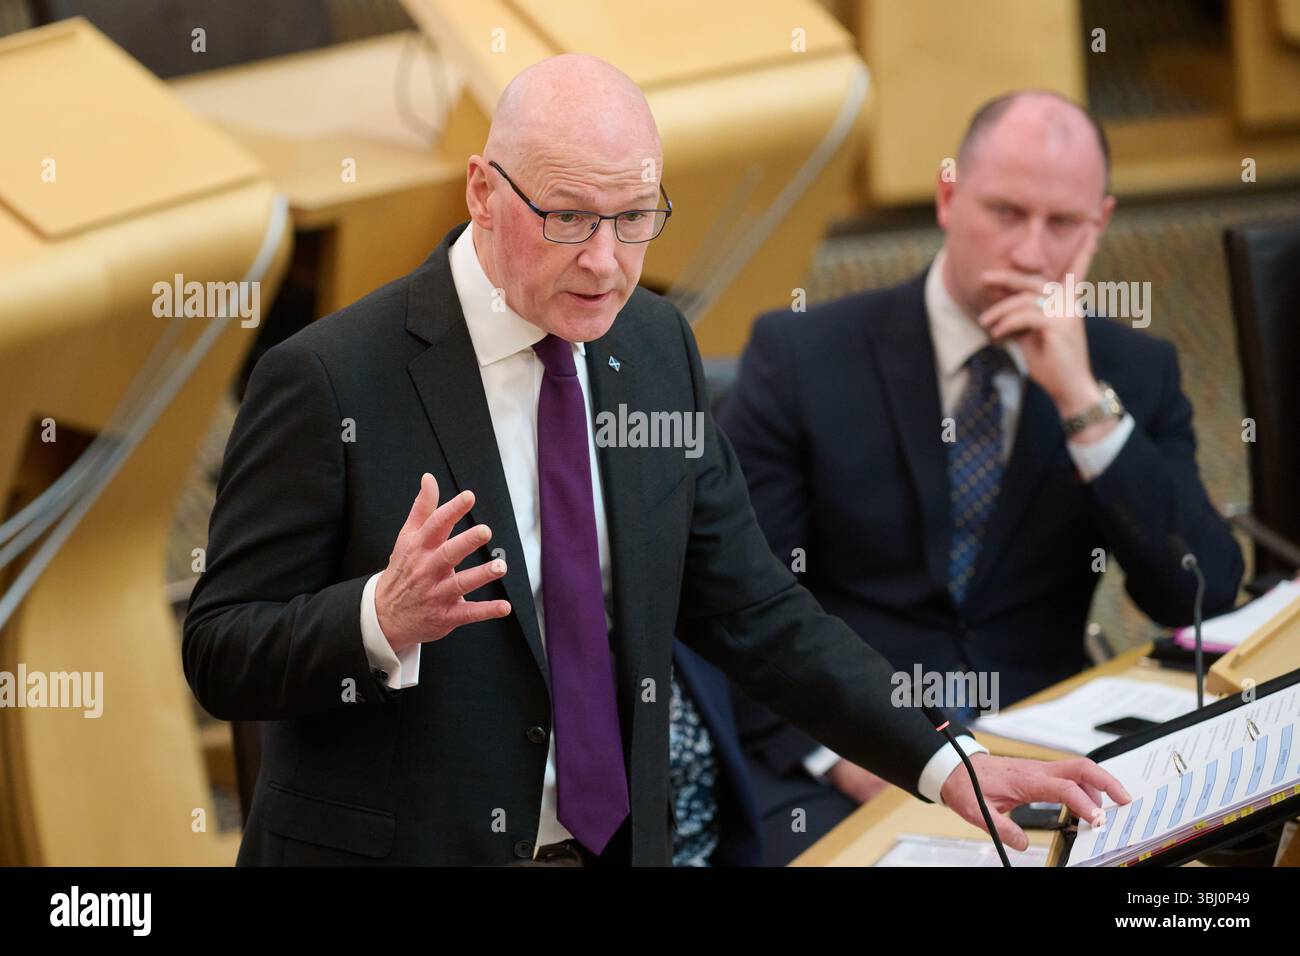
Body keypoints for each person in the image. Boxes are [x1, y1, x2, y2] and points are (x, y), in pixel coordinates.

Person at [183, 65, 1129, 866]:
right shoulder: (330, 377)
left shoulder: (653, 346)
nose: (606, 262)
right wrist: (377, 618)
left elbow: (755, 610)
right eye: (568, 219)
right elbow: (221, 649)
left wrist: (940, 761)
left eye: (637, 218)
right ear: (481, 190)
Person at [718, 90, 1243, 859]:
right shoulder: (801, 358)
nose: (1031, 254)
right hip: (838, 754)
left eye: (1063, 225)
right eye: (1005, 213)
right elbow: (732, 603)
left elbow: (1201, 587)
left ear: (1099, 226)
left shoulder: (1131, 371)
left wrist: (1082, 404)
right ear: (947, 197)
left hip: (1046, 743)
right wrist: (868, 759)